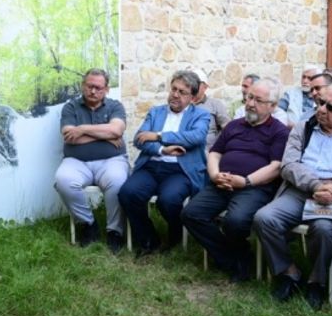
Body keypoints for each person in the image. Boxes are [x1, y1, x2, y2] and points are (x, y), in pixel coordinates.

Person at [253, 82, 332, 310]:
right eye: (320, 102)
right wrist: (316, 185)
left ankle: (316, 282)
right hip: (301, 190)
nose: (320, 109)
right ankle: (289, 272)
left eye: (330, 107)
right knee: (264, 218)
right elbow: (288, 165)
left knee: (323, 229)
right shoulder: (303, 128)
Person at [181, 79, 290, 282]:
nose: (250, 103)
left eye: (258, 100)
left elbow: (276, 167)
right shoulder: (233, 126)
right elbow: (214, 153)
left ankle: (237, 259)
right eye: (249, 97)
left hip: (254, 188)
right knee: (191, 214)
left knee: (236, 221)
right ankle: (234, 259)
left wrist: (246, 181)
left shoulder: (279, 131)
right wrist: (214, 174)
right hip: (222, 183)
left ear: (272, 106)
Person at [118, 71, 210, 256]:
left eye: (182, 92)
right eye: (174, 89)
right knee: (128, 193)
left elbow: (195, 137)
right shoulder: (156, 112)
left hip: (180, 170)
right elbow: (139, 139)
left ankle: (175, 233)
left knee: (168, 200)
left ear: (192, 97)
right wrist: (162, 149)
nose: (175, 94)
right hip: (152, 165)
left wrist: (159, 135)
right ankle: (149, 239)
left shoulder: (201, 115)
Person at [55, 68, 130, 252]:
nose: (93, 91)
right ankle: (88, 224)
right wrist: (104, 134)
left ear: (106, 89)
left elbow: (116, 131)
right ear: (83, 85)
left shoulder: (115, 106)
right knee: (63, 180)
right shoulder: (70, 107)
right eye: (89, 86)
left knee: (118, 182)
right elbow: (69, 136)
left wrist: (81, 129)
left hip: (112, 159)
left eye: (98, 87)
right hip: (76, 161)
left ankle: (115, 231)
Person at [190, 68, 230, 151]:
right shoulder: (182, 104)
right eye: (190, 82)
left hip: (208, 152)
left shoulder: (215, 104)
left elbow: (227, 129)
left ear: (205, 87)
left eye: (196, 83)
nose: (192, 85)